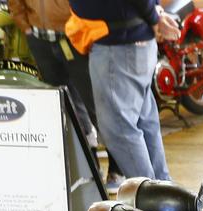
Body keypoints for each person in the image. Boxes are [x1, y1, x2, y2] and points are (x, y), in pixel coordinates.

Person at [8, 0, 125, 190]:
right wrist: (25, 26)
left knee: (96, 102)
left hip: (74, 36)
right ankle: (90, 165)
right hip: (40, 39)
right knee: (67, 107)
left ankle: (117, 167)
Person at [67, 0, 179, 180]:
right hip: (127, 42)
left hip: (119, 45)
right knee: (143, 124)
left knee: (120, 129)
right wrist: (155, 13)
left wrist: (154, 16)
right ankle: (163, 195)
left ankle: (151, 201)